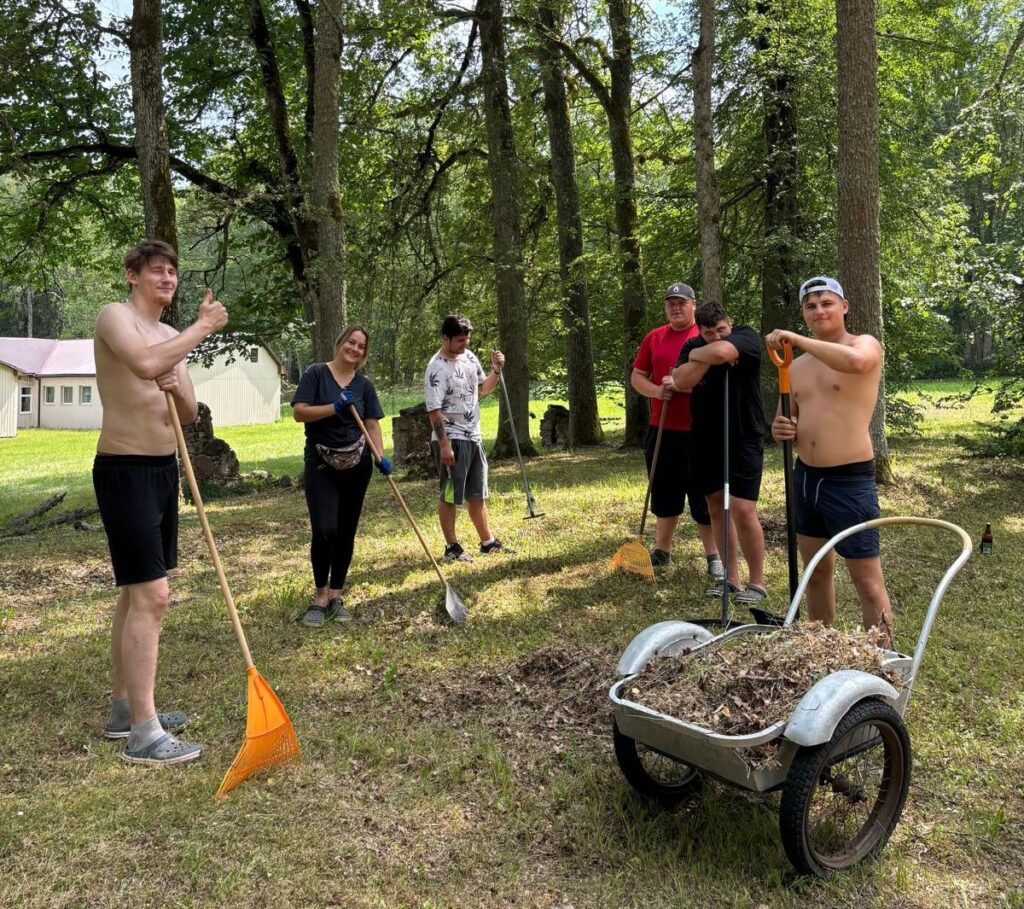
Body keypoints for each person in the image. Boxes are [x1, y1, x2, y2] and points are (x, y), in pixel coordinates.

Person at [93, 240, 228, 765]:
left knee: (133, 593)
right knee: (153, 596)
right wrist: (202, 329)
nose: (167, 278)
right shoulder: (115, 318)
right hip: (124, 469)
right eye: (156, 270)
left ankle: (125, 709)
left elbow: (190, 412)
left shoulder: (171, 335)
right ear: (132, 275)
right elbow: (145, 364)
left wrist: (178, 382)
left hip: (161, 470)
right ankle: (144, 735)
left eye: (172, 271)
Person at [766, 276, 893, 643]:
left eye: (826, 302)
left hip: (849, 481)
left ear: (844, 306)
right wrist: (780, 428)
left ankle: (882, 662)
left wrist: (797, 339)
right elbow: (785, 416)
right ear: (804, 313)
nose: (819, 310)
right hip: (806, 479)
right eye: (811, 306)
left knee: (867, 581)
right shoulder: (797, 365)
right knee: (816, 572)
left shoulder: (864, 345)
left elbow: (856, 363)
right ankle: (821, 651)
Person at [292, 325, 392, 628]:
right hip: (321, 463)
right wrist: (334, 407)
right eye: (351, 342)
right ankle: (319, 596)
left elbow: (372, 424)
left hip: (358, 463)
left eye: (361, 346)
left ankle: (336, 595)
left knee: (346, 530)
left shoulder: (364, 385)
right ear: (340, 343)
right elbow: (299, 412)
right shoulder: (315, 374)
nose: (355, 349)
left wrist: (380, 455)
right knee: (325, 529)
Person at [671, 301, 768, 605]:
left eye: (721, 330)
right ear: (699, 329)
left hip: (744, 433)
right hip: (706, 437)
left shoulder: (746, 336)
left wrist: (701, 356)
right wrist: (706, 355)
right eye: (709, 332)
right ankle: (731, 578)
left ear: (730, 322)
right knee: (715, 506)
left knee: (741, 507)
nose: (717, 337)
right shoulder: (693, 343)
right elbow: (681, 380)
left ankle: (758, 582)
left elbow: (724, 352)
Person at [630, 283, 723, 577]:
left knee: (703, 494)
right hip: (663, 429)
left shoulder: (706, 336)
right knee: (664, 490)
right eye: (670, 303)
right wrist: (657, 392)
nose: (675, 307)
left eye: (681, 302)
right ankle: (662, 550)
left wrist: (682, 384)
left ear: (693, 305)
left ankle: (714, 556)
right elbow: (637, 376)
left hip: (700, 430)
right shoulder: (654, 337)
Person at [424, 314, 507, 562]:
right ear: (445, 338)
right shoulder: (436, 368)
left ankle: (487, 542)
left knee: (477, 493)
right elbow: (434, 410)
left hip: (474, 435)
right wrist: (444, 446)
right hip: (451, 438)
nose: (465, 344)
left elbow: (484, 388)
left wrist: (496, 370)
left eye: (467, 338)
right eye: (460, 340)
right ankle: (452, 547)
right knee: (450, 494)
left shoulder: (469, 358)